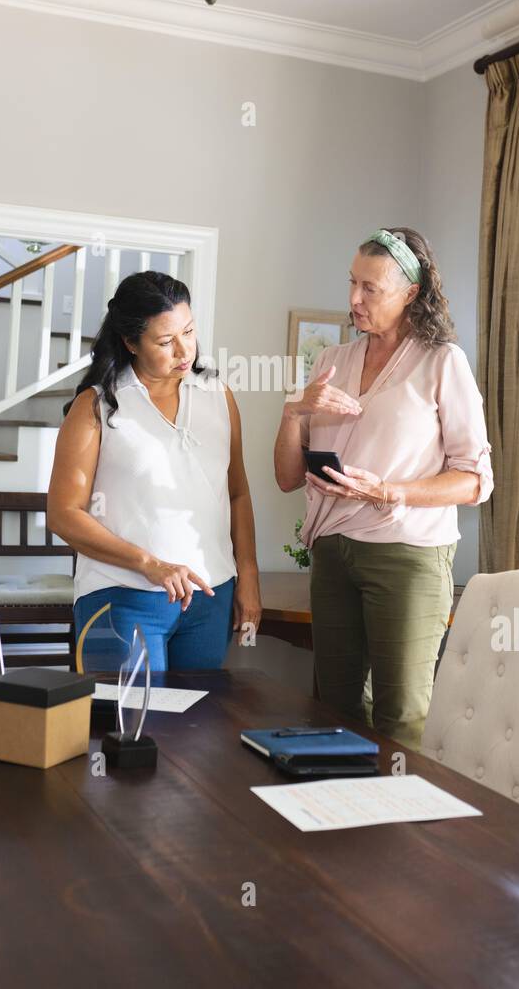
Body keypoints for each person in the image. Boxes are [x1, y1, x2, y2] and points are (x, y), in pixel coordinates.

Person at [274, 227, 493, 750]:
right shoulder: (331, 362)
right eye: (352, 283)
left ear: (411, 293)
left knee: (401, 714)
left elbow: (475, 480)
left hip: (407, 555)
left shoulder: (443, 363)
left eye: (370, 288)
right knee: (334, 709)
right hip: (331, 553)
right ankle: (338, 823)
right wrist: (293, 411)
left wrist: (391, 492)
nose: (354, 299)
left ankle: (401, 828)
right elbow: (285, 477)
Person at [48, 270, 262, 672]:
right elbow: (64, 514)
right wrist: (150, 564)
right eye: (165, 342)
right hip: (124, 596)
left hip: (209, 599)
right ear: (130, 343)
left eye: (189, 332)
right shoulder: (96, 408)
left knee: (198, 731)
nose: (184, 351)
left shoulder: (219, 397)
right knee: (125, 729)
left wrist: (247, 573)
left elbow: (237, 493)